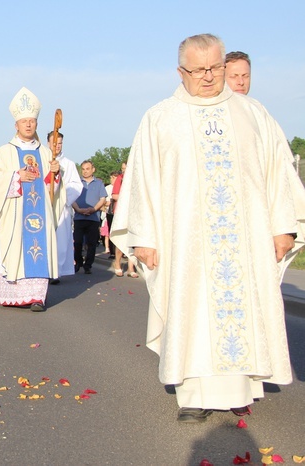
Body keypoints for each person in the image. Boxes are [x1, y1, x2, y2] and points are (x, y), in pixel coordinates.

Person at [111, 33, 305, 424]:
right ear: (180, 71)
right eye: (198, 70)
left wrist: (283, 227)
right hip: (186, 244)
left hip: (247, 241)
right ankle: (194, 395)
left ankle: (240, 391)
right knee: (192, 312)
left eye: (215, 68)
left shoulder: (253, 113)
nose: (208, 77)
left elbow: (278, 174)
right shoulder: (161, 117)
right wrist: (144, 237)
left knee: (244, 310)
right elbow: (144, 180)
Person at [0, 87, 59, 312]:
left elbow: (53, 189)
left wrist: (55, 172)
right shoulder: (4, 151)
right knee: (15, 251)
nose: (28, 125)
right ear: (16, 125)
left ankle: (37, 297)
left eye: (32, 121)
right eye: (24, 121)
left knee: (38, 249)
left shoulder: (45, 152)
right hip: (14, 214)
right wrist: (16, 176)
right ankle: (11, 295)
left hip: (40, 216)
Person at [46, 132, 83, 283]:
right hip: (45, 206)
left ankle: (56, 272)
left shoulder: (68, 164)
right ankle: (44, 269)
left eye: (60, 143)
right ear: (48, 143)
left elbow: (76, 186)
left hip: (62, 208)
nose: (57, 146)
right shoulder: (42, 160)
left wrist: (60, 193)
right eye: (54, 143)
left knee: (60, 241)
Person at [72, 160, 107, 274]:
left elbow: (103, 199)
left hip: (93, 217)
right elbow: (71, 198)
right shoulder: (77, 183)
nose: (85, 171)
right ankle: (78, 262)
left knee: (91, 243)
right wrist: (78, 210)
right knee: (77, 242)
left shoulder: (99, 183)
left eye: (88, 169)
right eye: (83, 169)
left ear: (93, 169)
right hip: (79, 217)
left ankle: (88, 265)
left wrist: (93, 209)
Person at [110, 162, 137, 278]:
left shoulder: (136, 178)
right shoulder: (120, 179)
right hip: (121, 213)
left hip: (134, 212)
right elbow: (114, 195)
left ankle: (131, 268)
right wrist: (127, 196)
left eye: (126, 169)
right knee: (121, 239)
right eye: (122, 169)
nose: (124, 171)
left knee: (133, 241)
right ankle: (118, 264)